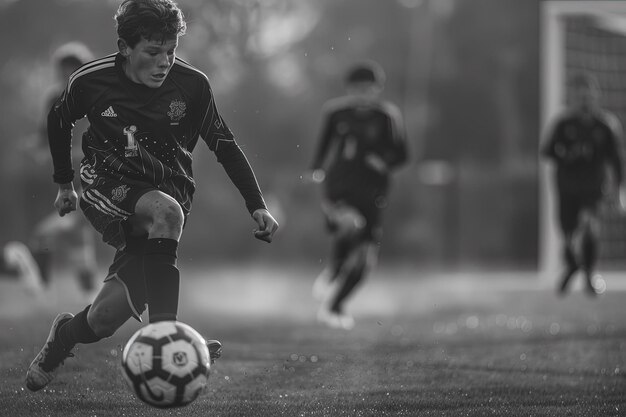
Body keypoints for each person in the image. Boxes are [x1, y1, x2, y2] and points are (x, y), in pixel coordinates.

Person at [26, 0, 278, 392]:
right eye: (153, 51)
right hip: (106, 182)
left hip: (169, 193)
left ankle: (62, 338)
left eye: (172, 51)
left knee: (103, 319)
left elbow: (223, 144)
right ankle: (168, 338)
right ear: (125, 47)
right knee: (167, 213)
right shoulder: (90, 81)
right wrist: (65, 183)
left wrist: (256, 203)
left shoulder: (193, 84)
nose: (165, 61)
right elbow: (58, 121)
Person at [308, 61, 408, 330]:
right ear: (349, 89)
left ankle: (335, 305)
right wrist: (315, 170)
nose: (362, 94)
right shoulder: (336, 114)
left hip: (374, 192)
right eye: (357, 88)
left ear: (377, 90)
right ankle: (334, 269)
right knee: (350, 223)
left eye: (367, 89)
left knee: (366, 260)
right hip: (340, 187)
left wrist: (383, 161)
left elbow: (401, 155)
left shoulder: (386, 117)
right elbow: (322, 148)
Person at [12, 42, 99, 296]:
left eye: (73, 71)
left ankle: (38, 284)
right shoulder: (54, 97)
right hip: (67, 179)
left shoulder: (96, 98)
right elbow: (44, 136)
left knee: (54, 231)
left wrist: (77, 153)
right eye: (63, 72)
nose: (66, 77)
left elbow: (105, 141)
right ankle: (91, 297)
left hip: (96, 176)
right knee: (77, 237)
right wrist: (33, 147)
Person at [542, 71, 626, 296]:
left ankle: (589, 275)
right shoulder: (562, 123)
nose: (585, 101)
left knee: (589, 226)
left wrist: (619, 190)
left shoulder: (606, 125)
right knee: (568, 234)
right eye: (580, 96)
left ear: (595, 96)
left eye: (588, 96)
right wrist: (568, 154)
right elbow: (547, 151)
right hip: (567, 186)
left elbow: (616, 160)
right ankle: (572, 266)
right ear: (573, 97)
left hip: (593, 187)